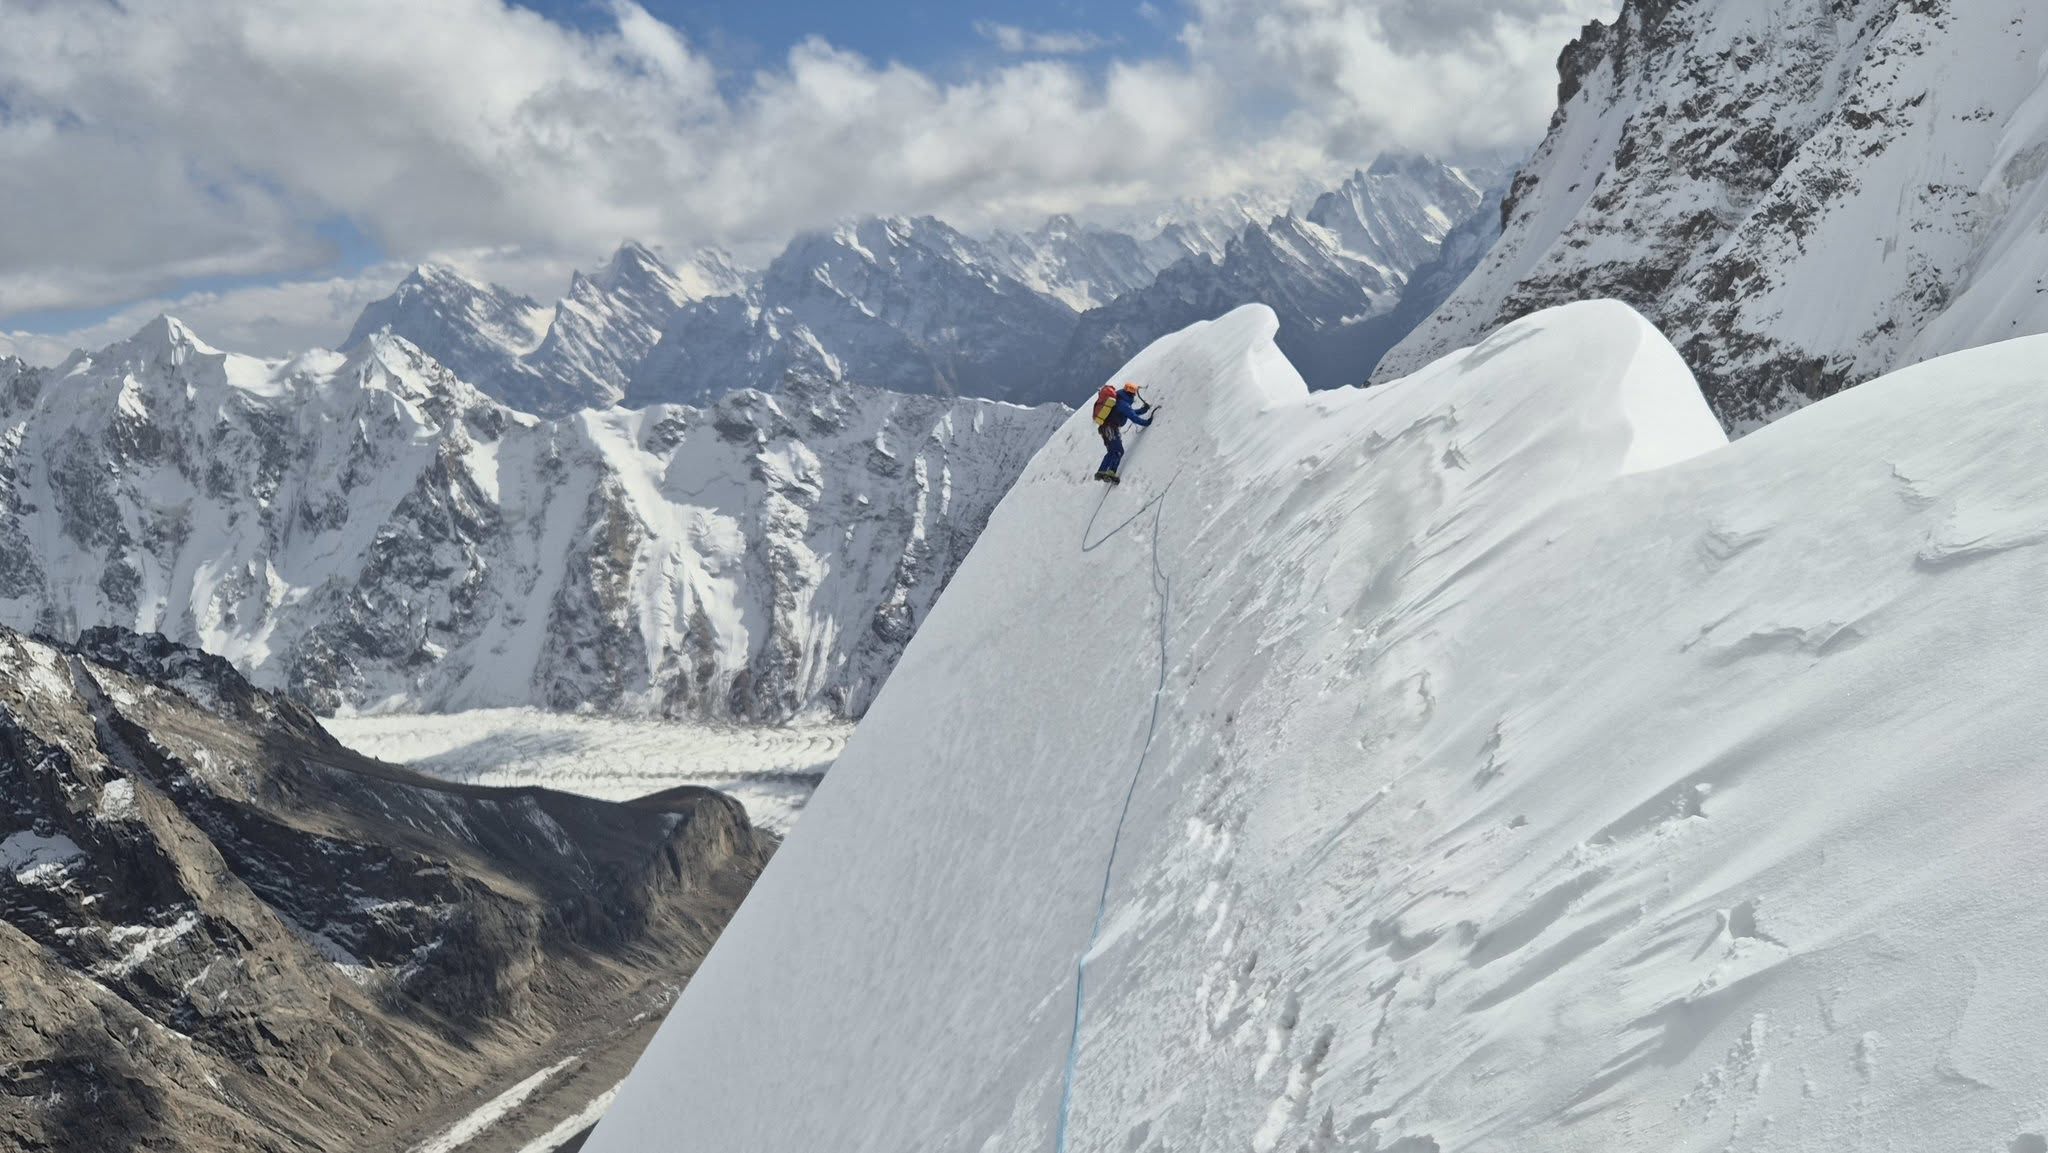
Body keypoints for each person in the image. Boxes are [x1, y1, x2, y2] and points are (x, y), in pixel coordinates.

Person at [1092, 381, 1155, 484]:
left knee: (1112, 451)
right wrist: (1147, 422)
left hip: (1105, 429)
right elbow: (1133, 417)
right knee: (1118, 451)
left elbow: (1130, 412)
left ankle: (1101, 471)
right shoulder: (1123, 404)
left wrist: (1143, 410)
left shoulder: (1119, 400)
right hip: (1111, 429)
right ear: (1131, 394)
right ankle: (1111, 473)